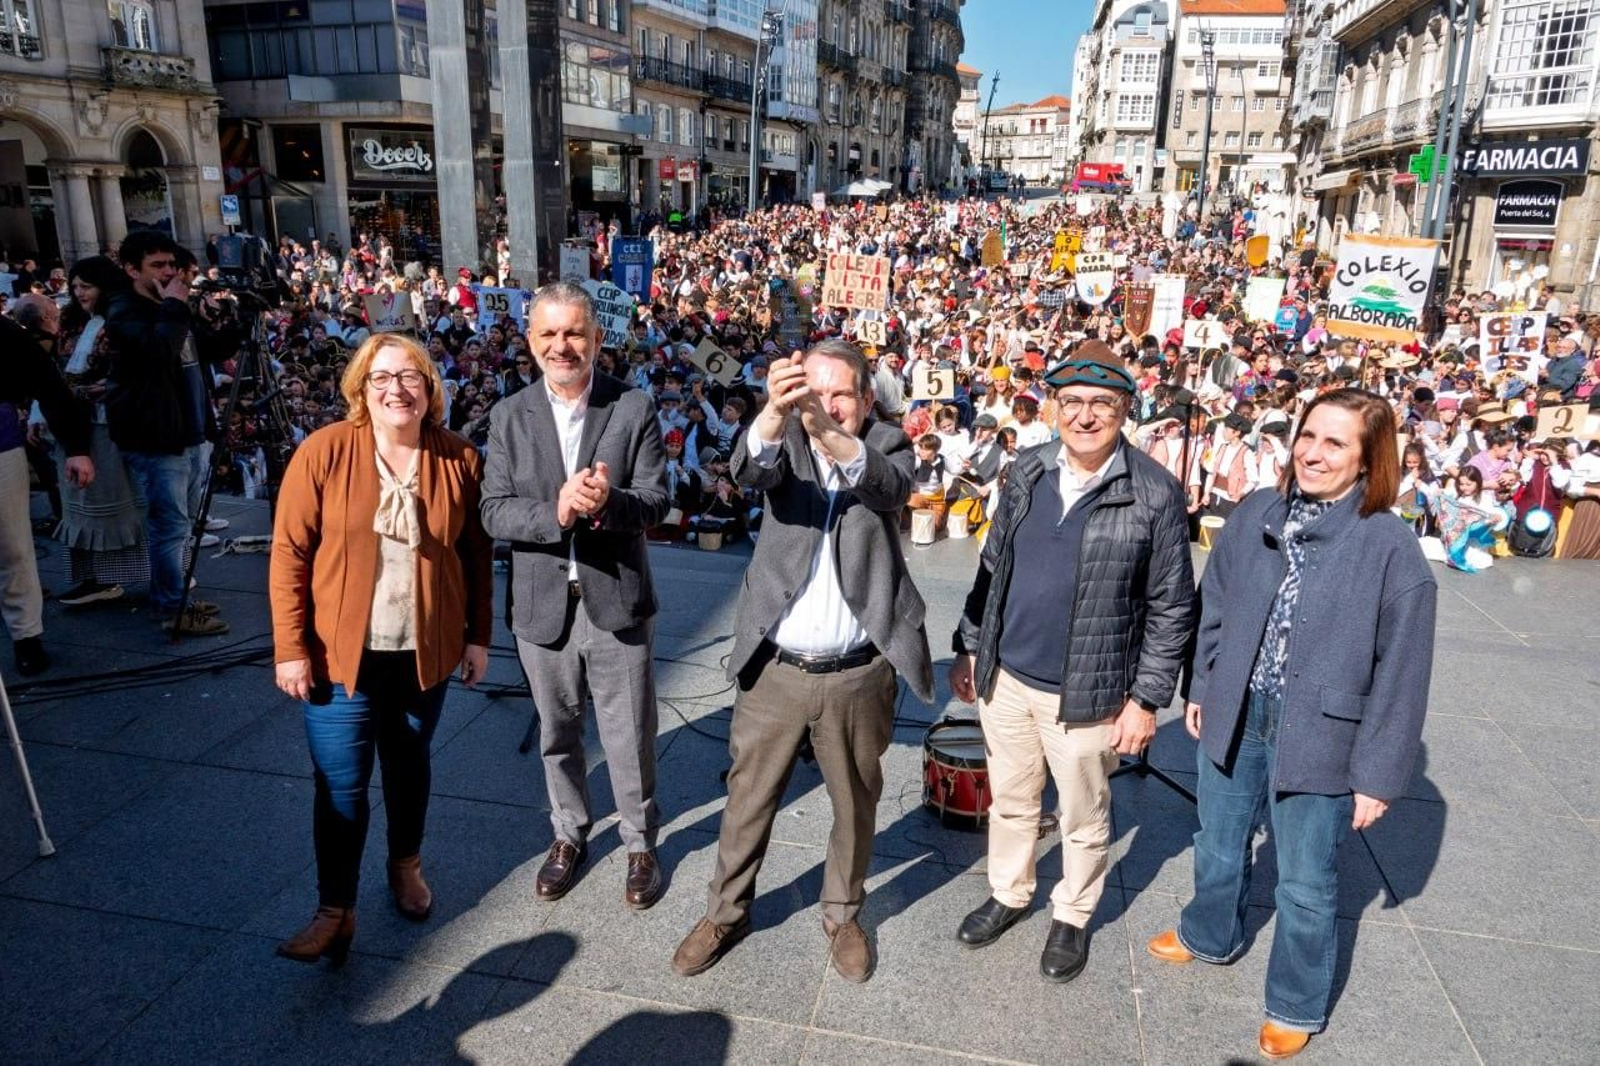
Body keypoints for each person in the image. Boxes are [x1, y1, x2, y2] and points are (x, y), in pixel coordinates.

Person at [1148, 388, 1436, 1061]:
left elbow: (1402, 675)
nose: (1312, 452)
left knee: (1306, 881)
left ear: (1370, 458)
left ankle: (1296, 1001)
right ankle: (1208, 931)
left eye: (1335, 443)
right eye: (1308, 436)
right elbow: (1214, 601)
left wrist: (1378, 777)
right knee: (1217, 840)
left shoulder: (1389, 546)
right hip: (1238, 709)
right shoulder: (1257, 512)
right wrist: (1205, 683)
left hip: (1325, 730)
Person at [673, 339, 934, 984]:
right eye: (810, 390)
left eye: (839, 392)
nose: (823, 403)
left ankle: (843, 913)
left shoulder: (887, 442)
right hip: (777, 668)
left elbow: (890, 488)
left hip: (857, 670)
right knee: (748, 797)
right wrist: (773, 413)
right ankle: (726, 913)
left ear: (866, 398)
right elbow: (750, 469)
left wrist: (831, 435)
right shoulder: (781, 435)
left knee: (855, 800)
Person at [948, 344, 1195, 985]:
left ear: (1125, 412)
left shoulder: (1154, 493)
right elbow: (992, 567)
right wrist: (970, 644)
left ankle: (1073, 913)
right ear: (1055, 407)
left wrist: (1146, 700)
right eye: (1073, 402)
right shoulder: (1027, 468)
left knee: (1085, 814)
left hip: (1089, 691)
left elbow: (1172, 607)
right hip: (1007, 676)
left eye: (1102, 405)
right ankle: (1009, 892)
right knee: (1012, 800)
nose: (1085, 416)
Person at [269, 333, 493, 963]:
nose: (397, 388)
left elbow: (477, 557)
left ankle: (405, 865)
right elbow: (289, 554)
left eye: (410, 376)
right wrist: (290, 646)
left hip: (424, 652)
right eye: (381, 378)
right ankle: (334, 909)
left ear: (430, 388)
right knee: (339, 785)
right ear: (361, 390)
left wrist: (478, 637)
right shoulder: (324, 451)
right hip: (338, 659)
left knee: (409, 764)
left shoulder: (457, 458)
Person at [479, 281, 670, 911]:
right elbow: (492, 512)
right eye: (549, 334)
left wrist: (608, 504)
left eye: (575, 333)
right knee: (558, 732)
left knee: (629, 731)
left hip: (615, 598)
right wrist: (554, 513)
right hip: (541, 606)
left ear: (596, 338)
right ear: (531, 342)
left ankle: (640, 843)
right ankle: (569, 834)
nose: (563, 346)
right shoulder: (508, 415)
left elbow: (657, 500)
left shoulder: (632, 406)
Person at [102, 231, 229, 635]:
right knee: (169, 526)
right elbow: (158, 353)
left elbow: (207, 349)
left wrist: (237, 322)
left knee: (182, 523)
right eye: (157, 265)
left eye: (171, 264)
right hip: (158, 437)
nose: (169, 272)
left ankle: (174, 597)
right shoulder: (125, 311)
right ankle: (171, 607)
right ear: (131, 269)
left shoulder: (170, 308)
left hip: (189, 430)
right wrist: (175, 305)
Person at [48, 257, 148, 608]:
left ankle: (127, 575)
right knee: (80, 503)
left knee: (116, 499)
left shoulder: (121, 320)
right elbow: (54, 373)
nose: (79, 293)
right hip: (71, 422)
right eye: (74, 287)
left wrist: (109, 385)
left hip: (108, 424)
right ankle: (93, 579)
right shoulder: (71, 323)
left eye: (86, 286)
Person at [1, 302, 94, 675]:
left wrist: (77, 449)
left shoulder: (5, 334)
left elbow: (50, 385)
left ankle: (26, 635)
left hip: (0, 446)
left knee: (12, 545)